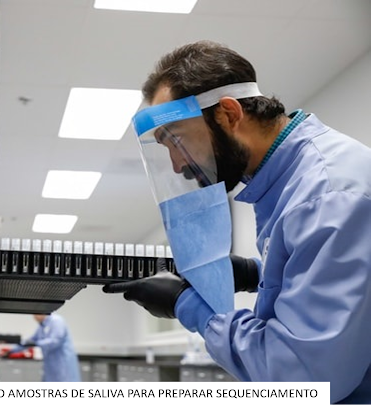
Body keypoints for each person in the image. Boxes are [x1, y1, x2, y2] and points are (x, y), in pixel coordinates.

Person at [103, 40, 371, 404]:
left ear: (228, 114)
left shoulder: (325, 195)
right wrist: (256, 274)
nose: (178, 166)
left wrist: (187, 305)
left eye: (178, 141)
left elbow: (303, 377)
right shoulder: (290, 179)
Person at [2, 313, 81, 382]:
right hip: (50, 365)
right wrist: (11, 350)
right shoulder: (42, 325)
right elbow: (30, 341)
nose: (33, 317)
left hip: (62, 364)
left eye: (35, 314)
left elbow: (55, 341)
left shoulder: (56, 321)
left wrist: (36, 343)